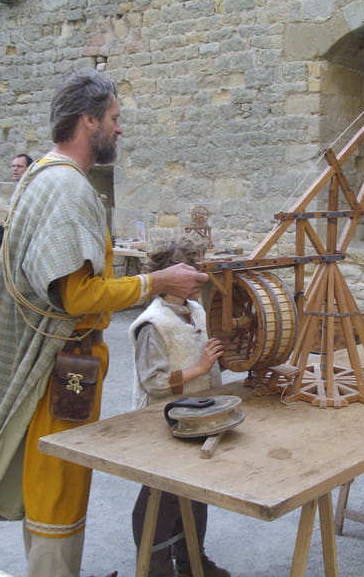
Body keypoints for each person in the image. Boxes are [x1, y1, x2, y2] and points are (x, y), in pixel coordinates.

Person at [0, 68, 209, 577]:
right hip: (66, 362)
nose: (120, 129)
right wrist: (159, 282)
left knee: (49, 473)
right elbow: (76, 295)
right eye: (114, 118)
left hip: (61, 357)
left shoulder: (44, 174)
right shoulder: (67, 188)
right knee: (58, 480)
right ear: (89, 121)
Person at [130, 237, 229, 577]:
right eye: (195, 273)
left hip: (196, 416)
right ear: (176, 278)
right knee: (160, 497)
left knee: (193, 492)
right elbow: (153, 382)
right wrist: (200, 368)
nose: (202, 279)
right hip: (162, 422)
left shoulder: (195, 310)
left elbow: (204, 354)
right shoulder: (153, 323)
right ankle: (155, 568)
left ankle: (191, 561)